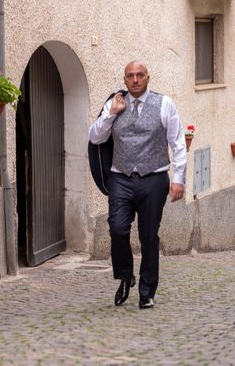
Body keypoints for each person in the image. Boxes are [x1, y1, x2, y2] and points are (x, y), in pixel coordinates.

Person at [88, 61, 186, 309]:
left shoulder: (164, 104)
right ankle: (124, 276)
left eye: (139, 75)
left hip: (153, 178)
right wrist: (111, 114)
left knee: (149, 236)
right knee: (118, 229)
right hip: (120, 177)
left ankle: (146, 291)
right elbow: (95, 137)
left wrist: (178, 178)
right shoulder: (114, 103)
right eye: (130, 76)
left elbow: (178, 142)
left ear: (147, 78)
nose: (135, 80)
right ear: (125, 78)